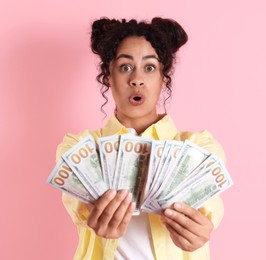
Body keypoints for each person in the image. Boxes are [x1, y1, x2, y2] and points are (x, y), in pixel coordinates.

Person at [56, 17, 226, 260]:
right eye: (125, 67)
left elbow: (212, 206)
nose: (136, 79)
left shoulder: (200, 147)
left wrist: (201, 228)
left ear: (164, 78)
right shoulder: (80, 146)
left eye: (149, 68)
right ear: (108, 77)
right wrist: (92, 214)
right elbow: (77, 205)